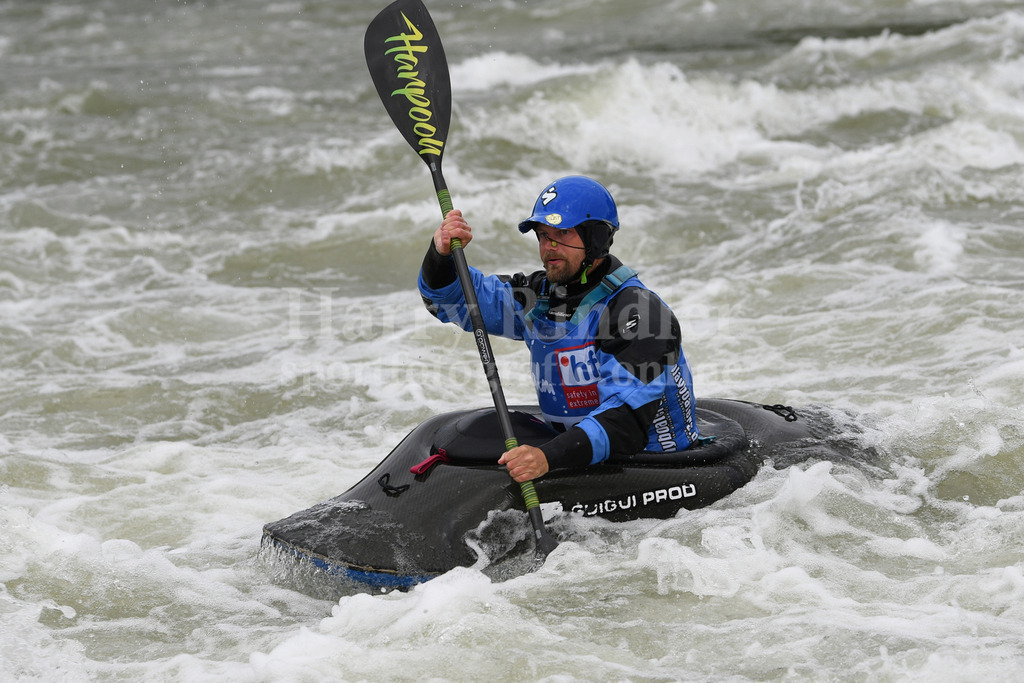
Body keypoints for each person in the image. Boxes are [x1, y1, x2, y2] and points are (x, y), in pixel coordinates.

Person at [418, 176, 700, 483]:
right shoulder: (538, 297)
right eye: (543, 235)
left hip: (648, 464)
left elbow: (627, 422)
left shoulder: (637, 313)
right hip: (574, 454)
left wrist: (547, 458)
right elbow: (449, 302)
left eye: (562, 233)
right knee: (474, 432)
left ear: (595, 238)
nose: (548, 247)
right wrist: (441, 255)